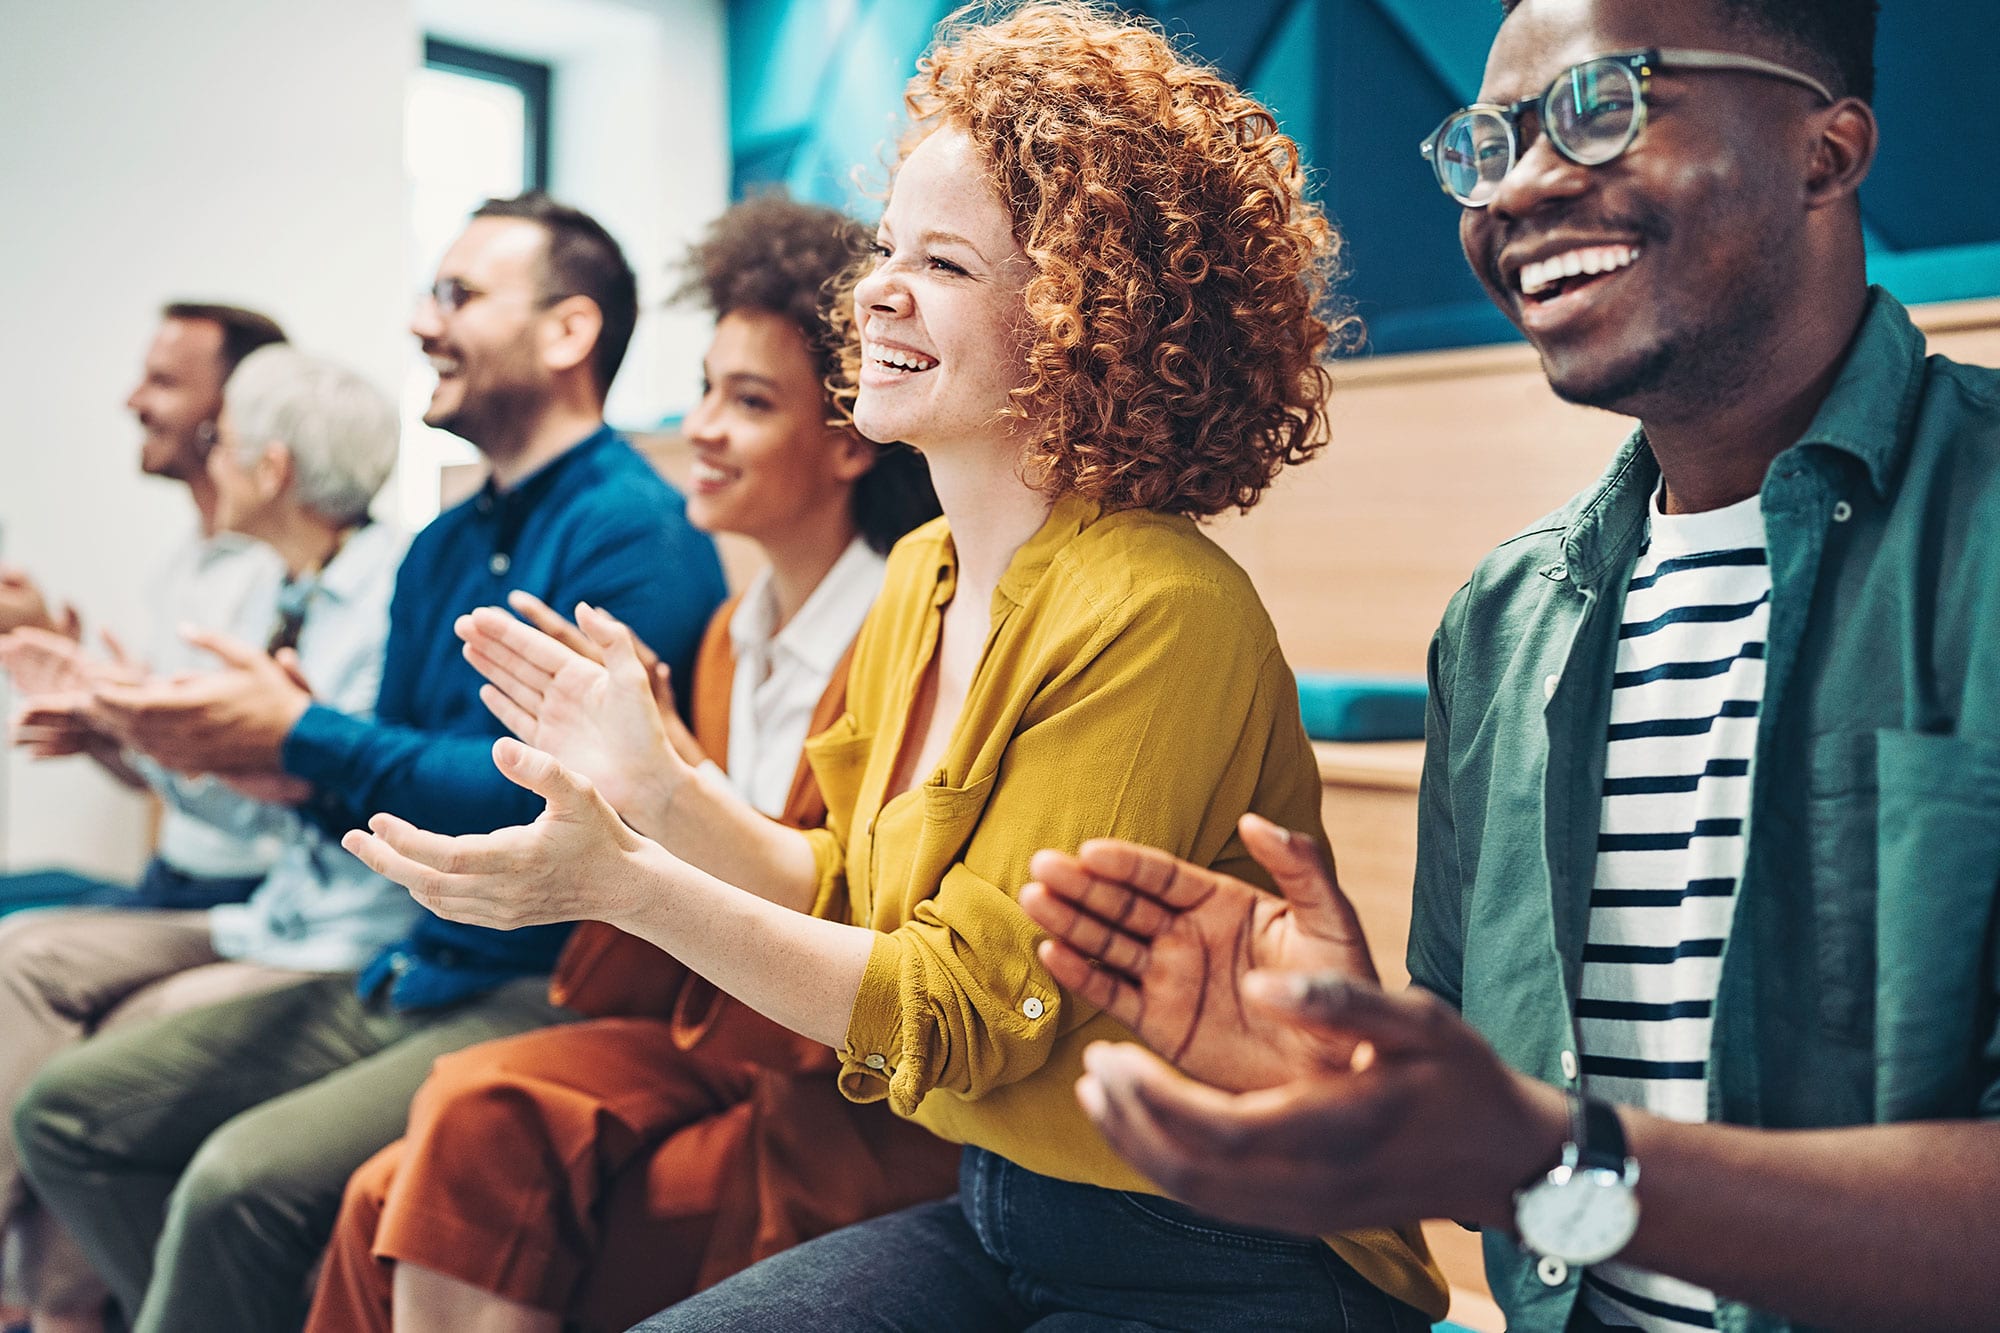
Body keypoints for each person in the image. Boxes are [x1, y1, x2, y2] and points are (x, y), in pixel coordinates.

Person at [346, 5, 1447, 1329]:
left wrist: (624, 884)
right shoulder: (924, 572)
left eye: (944, 262)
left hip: (1227, 1246)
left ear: (1089, 313)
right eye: (885, 247)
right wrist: (668, 788)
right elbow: (861, 896)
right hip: (1003, 1207)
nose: (875, 289)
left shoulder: (1160, 605)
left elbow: (963, 1011)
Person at [1022, 1, 2000, 1330]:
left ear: (1825, 154)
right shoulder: (1503, 621)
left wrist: (1551, 1154)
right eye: (1488, 144)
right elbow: (1527, 1156)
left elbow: (1550, 1152)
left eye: (1602, 104)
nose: (1523, 185)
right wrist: (1356, 1060)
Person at [14, 194, 726, 1333]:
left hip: (532, 983)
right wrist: (275, 763)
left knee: (235, 1184)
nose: (418, 322)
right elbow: (388, 778)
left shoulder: (631, 532)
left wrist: (300, 738)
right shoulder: (443, 544)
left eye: (456, 295)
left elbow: (530, 803)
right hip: (413, 960)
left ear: (566, 334)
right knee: (66, 1114)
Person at [305, 192, 955, 1333]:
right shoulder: (723, 637)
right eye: (703, 387)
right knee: (382, 1189)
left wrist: (660, 789)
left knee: (459, 1131)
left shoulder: (903, 638)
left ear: (850, 437)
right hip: (716, 1020)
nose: (698, 427)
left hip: (827, 1067)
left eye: (747, 401)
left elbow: (858, 926)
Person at [0, 345, 413, 1333]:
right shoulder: (265, 588)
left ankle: (70, 1311)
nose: (205, 457)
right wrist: (133, 738)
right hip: (272, 909)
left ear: (271, 470)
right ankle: (48, 1302)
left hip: (348, 931)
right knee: (21, 954)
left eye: (221, 440)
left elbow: (336, 791)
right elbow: (257, 796)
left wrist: (190, 748)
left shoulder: (398, 593)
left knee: (110, 1050)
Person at [0, 303, 288, 916]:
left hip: (239, 891)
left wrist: (100, 695)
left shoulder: (279, 577)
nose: (133, 401)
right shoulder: (184, 564)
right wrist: (56, 665)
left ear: (230, 411)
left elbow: (234, 783)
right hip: (170, 877)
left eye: (163, 382)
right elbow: (150, 768)